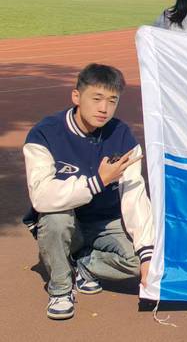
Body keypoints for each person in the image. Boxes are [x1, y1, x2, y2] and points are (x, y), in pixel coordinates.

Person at [22, 64, 154, 320]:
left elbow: (135, 196)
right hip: (65, 218)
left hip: (105, 221)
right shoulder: (44, 134)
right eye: (96, 98)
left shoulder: (123, 137)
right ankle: (61, 288)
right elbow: (41, 197)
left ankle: (83, 264)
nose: (104, 108)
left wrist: (147, 254)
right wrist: (97, 181)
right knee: (56, 219)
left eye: (112, 101)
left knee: (139, 261)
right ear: (76, 96)